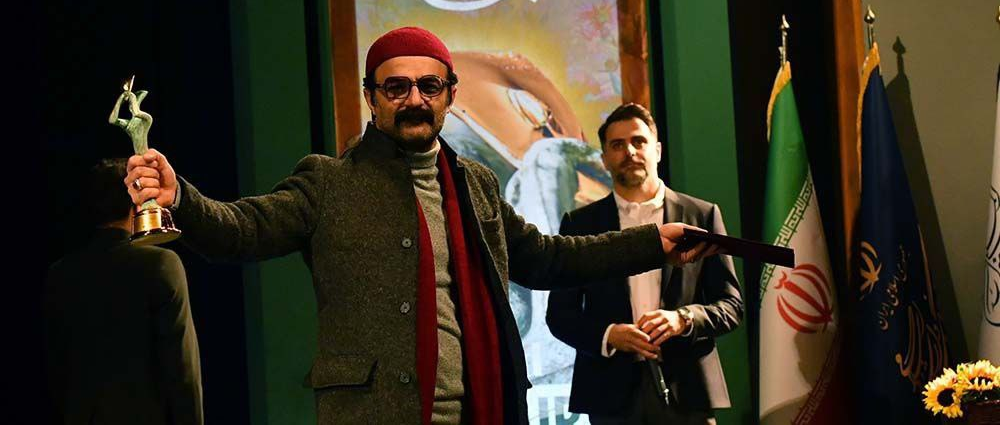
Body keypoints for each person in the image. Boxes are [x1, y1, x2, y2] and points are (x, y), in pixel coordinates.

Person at [124, 26, 712, 425]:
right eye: (396, 87)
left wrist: (650, 242)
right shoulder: (329, 182)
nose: (414, 99)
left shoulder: (475, 184)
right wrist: (183, 199)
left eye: (429, 86)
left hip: (479, 408)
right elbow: (241, 229)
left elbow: (548, 258)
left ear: (449, 96)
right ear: (371, 98)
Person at [546, 103, 743, 424]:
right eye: (617, 145)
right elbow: (560, 315)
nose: (630, 151)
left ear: (658, 150)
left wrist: (684, 319)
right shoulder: (580, 224)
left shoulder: (702, 215)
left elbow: (732, 306)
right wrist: (609, 335)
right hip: (609, 394)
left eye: (639, 141)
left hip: (689, 390)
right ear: (604, 159)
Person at [46, 158, 203, 425]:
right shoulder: (161, 264)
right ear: (136, 203)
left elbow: (55, 370)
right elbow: (183, 367)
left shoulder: (59, 274)